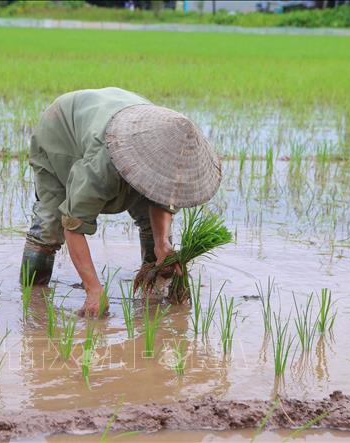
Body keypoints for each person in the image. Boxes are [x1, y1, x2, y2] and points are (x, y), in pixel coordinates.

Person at [20, 87, 221, 317]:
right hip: (60, 132)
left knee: (152, 219)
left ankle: (152, 292)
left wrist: (161, 242)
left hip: (114, 110)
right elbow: (73, 224)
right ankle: (32, 300)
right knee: (50, 223)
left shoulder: (167, 150)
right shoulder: (101, 166)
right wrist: (93, 289)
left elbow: (161, 199)